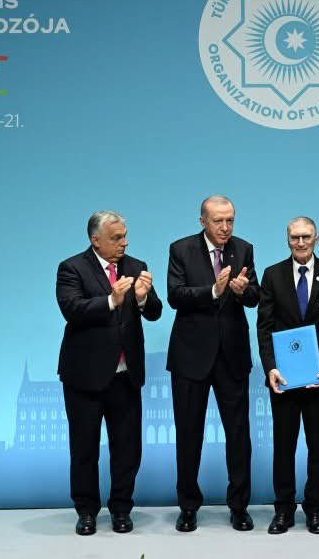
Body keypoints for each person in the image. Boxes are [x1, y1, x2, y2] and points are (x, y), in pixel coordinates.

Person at [56, 211, 163, 536]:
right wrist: (111, 300)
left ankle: (121, 509)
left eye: (125, 236)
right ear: (96, 240)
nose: (124, 243)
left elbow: (155, 312)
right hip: (84, 377)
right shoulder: (72, 268)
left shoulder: (136, 265)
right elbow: (72, 309)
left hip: (125, 378)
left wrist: (142, 299)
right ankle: (87, 512)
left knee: (127, 449)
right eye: (117, 238)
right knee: (84, 449)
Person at [166, 195, 260, 532]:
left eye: (230, 220)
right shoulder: (181, 249)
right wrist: (214, 291)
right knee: (188, 433)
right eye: (218, 220)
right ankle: (188, 506)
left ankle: (239, 506)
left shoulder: (243, 249)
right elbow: (175, 295)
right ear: (202, 221)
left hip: (232, 355)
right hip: (191, 356)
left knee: (239, 435)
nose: (225, 227)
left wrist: (243, 290)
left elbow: (255, 297)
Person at [257, 217, 319, 535]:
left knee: (318, 446)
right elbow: (265, 328)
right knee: (283, 446)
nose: (300, 242)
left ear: (316, 239)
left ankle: (314, 510)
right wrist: (271, 367)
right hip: (282, 380)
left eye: (306, 237)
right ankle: (283, 510)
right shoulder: (272, 275)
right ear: (287, 240)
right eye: (295, 237)